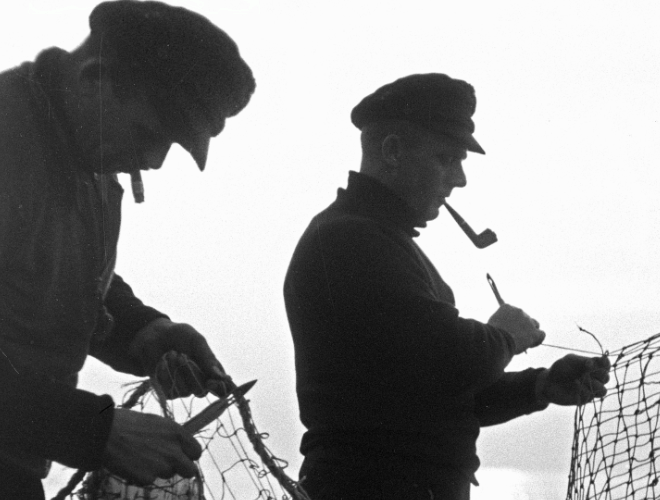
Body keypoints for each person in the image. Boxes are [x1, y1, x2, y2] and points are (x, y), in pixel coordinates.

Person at [283, 73, 610, 499]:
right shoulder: (351, 239)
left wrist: (540, 386)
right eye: (446, 159)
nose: (460, 179)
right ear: (392, 152)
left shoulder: (376, 239)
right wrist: (507, 335)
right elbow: (447, 358)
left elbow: (433, 393)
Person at [0, 1, 255, 498]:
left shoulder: (88, 163)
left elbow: (53, 277)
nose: (155, 161)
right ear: (95, 77)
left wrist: (144, 331)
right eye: (148, 133)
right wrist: (93, 429)